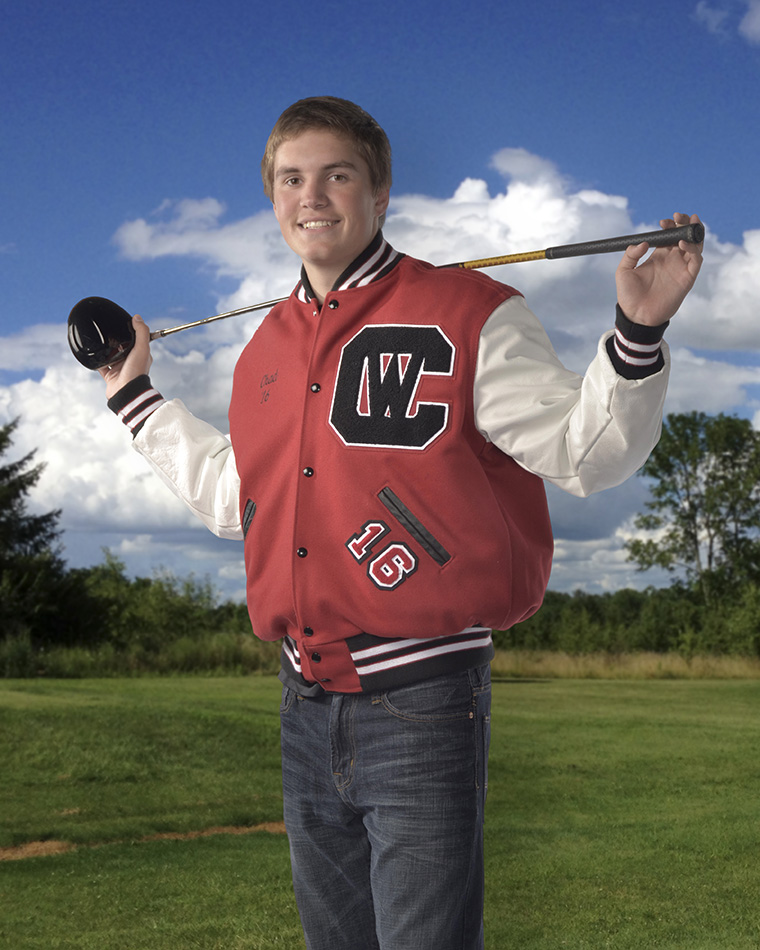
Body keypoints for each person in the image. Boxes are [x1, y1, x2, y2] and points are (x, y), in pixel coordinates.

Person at [99, 96, 703, 950]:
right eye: (291, 178)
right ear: (272, 200)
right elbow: (242, 499)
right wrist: (133, 397)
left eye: (336, 175)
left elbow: (584, 452)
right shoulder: (264, 349)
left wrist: (639, 331)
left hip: (422, 701)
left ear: (379, 193)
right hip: (301, 702)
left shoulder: (470, 312)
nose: (311, 196)